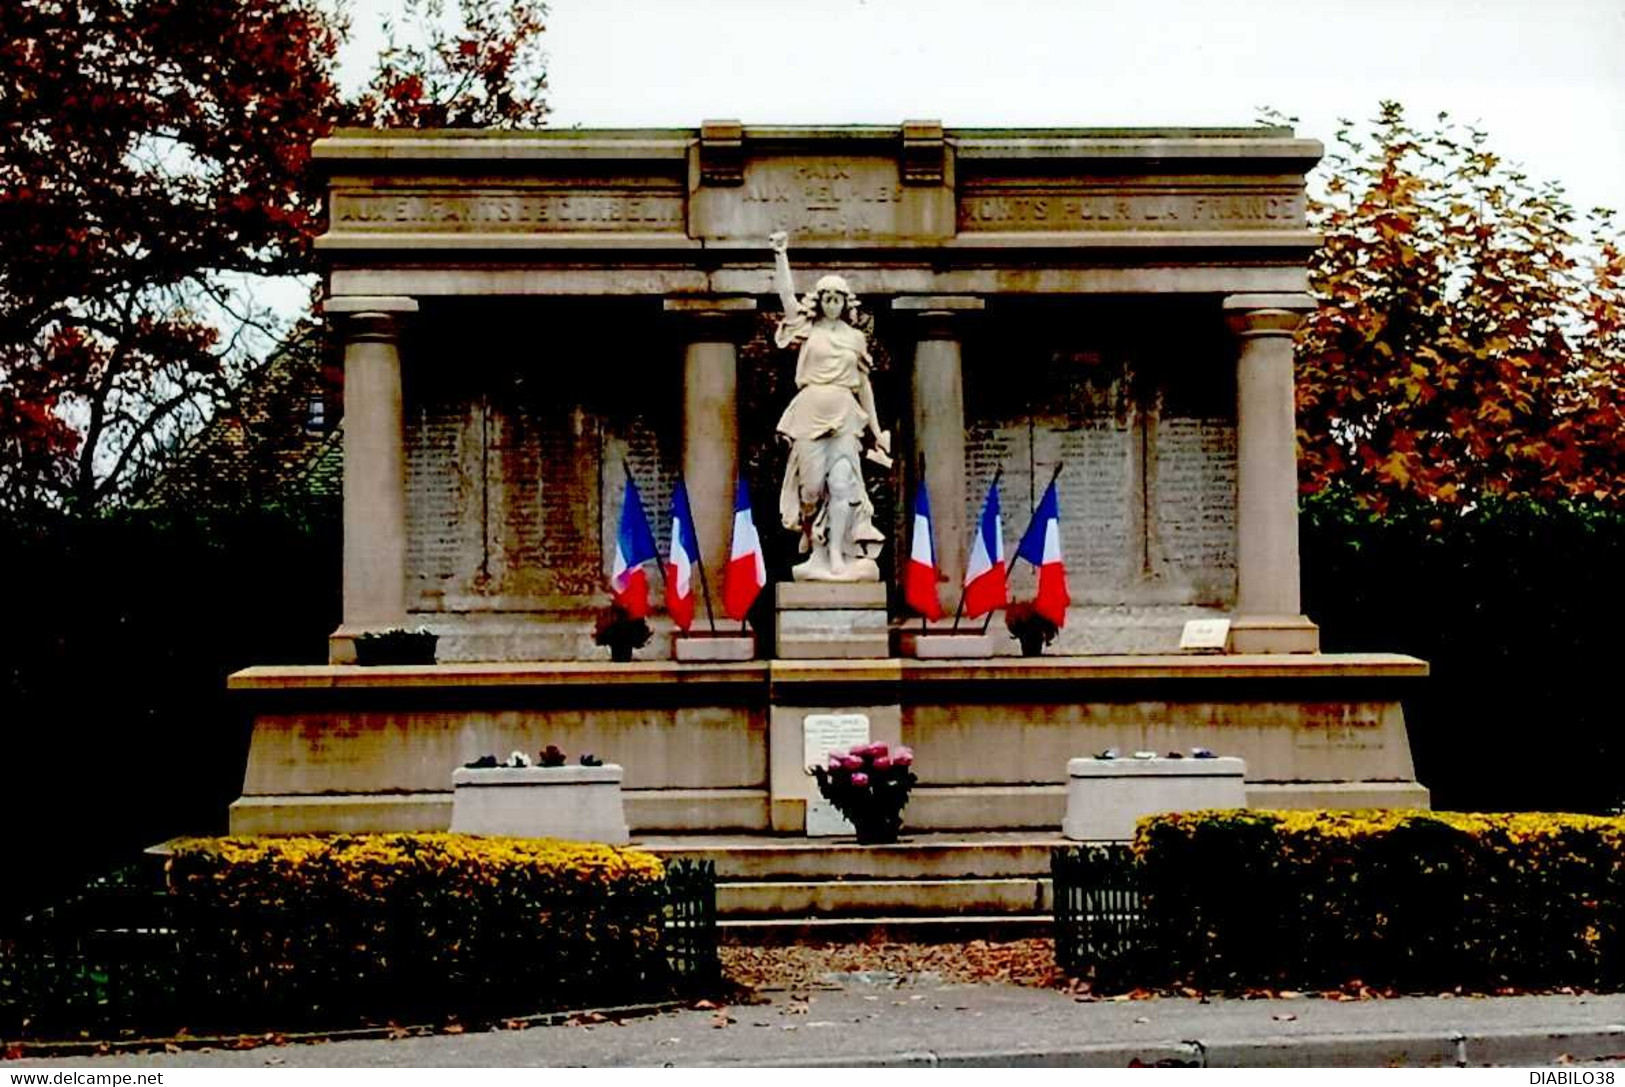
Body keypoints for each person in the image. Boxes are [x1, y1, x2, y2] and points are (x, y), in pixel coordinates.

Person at [769, 230, 892, 581]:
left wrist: (876, 430)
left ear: (846, 303)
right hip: (809, 412)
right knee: (810, 490)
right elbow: (787, 298)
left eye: (839, 298)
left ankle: (836, 553)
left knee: (842, 484)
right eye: (828, 298)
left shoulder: (855, 338)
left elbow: (864, 386)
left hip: (845, 415)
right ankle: (813, 538)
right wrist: (781, 254)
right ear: (820, 301)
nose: (833, 304)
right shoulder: (808, 329)